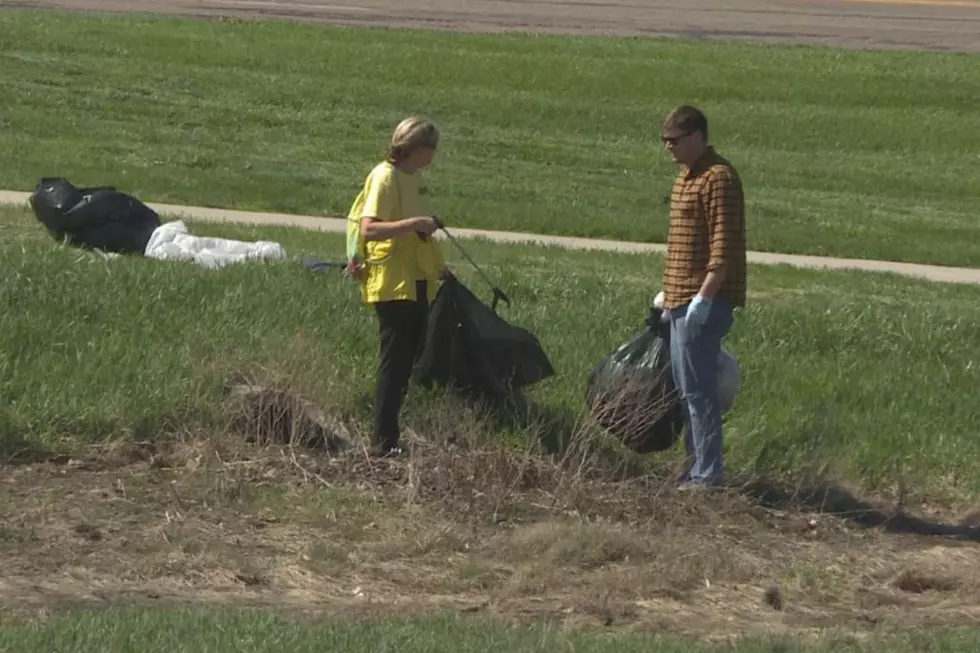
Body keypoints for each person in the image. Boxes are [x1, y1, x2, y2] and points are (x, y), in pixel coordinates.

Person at [346, 116, 448, 457]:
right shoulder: (384, 177)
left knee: (409, 358)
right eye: (430, 150)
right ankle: (383, 440)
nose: (432, 157)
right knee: (395, 359)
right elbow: (370, 229)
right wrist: (415, 224)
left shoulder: (414, 179)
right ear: (416, 149)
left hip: (417, 278)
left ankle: (392, 435)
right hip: (391, 280)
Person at [659, 105, 747, 489]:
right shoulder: (685, 177)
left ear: (696, 137)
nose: (668, 149)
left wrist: (705, 297)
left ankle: (708, 473)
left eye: (674, 141)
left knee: (699, 390)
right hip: (679, 297)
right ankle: (693, 466)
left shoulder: (719, 178)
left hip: (704, 300)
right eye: (664, 141)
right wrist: (669, 292)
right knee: (684, 390)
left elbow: (723, 247)